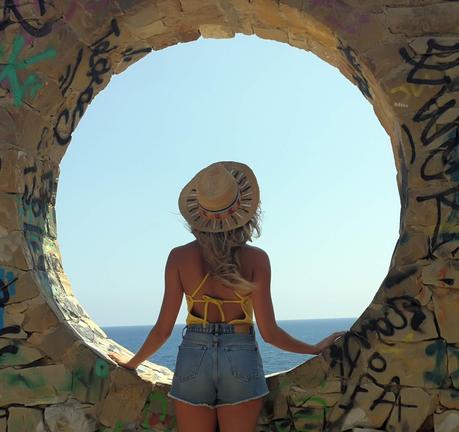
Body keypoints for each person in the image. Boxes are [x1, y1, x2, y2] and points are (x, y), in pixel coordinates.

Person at [108, 161, 346, 432]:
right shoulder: (257, 260)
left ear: (198, 214)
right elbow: (270, 333)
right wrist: (314, 348)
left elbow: (163, 330)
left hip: (193, 357)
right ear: (244, 211)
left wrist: (132, 363)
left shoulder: (179, 258)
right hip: (241, 357)